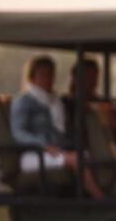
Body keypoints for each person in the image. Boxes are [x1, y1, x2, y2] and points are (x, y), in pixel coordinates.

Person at [10, 55, 103, 198]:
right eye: (43, 74)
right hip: (34, 154)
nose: (49, 78)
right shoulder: (24, 101)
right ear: (32, 76)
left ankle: (89, 195)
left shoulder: (56, 102)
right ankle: (100, 199)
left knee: (90, 156)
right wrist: (43, 145)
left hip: (57, 151)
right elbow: (19, 133)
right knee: (77, 159)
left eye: (51, 74)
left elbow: (63, 131)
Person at [61, 57, 105, 147]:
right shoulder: (66, 102)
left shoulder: (103, 102)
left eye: (95, 76)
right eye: (89, 76)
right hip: (77, 146)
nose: (93, 81)